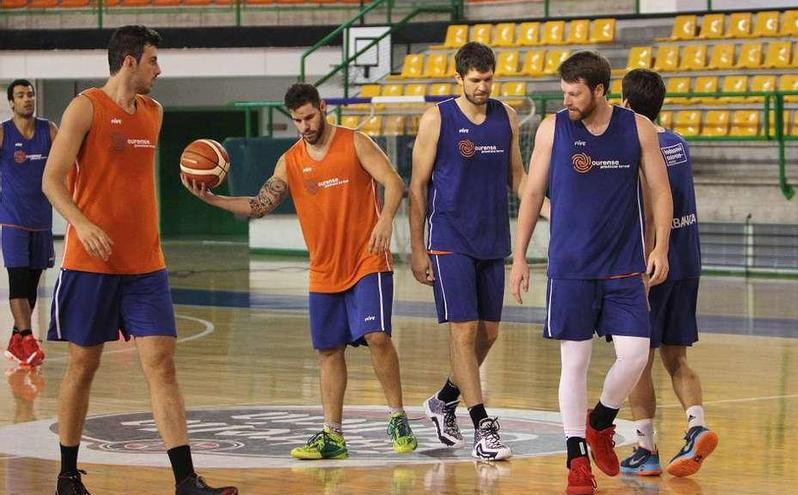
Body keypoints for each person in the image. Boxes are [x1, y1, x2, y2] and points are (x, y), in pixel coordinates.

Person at [42, 25, 238, 495]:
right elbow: (51, 180)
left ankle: (186, 480)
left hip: (146, 263)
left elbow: (131, 179)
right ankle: (67, 476)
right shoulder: (85, 107)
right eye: (153, 60)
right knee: (82, 367)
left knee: (163, 364)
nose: (159, 69)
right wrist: (83, 225)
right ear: (129, 61)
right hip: (90, 264)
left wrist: (195, 180)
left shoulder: (154, 112)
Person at [182, 82, 417, 460]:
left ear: (322, 108)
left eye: (309, 116)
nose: (305, 125)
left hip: (366, 259)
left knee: (376, 335)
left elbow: (393, 181)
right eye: (297, 120)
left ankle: (397, 416)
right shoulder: (290, 161)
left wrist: (385, 220)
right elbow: (259, 205)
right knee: (328, 350)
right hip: (324, 269)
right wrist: (212, 198)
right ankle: (333, 435)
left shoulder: (355, 142)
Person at [510, 51, 673, 495]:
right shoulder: (553, 128)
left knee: (636, 355)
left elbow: (660, 190)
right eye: (564, 92)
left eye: (575, 93)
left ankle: (600, 420)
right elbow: (531, 194)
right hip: (570, 267)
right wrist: (520, 255)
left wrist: (660, 247)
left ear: (600, 90)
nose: (567, 100)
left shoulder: (636, 128)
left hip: (623, 266)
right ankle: (576, 459)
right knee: (574, 363)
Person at [409, 41, 545, 461]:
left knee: (489, 334)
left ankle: (443, 400)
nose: (483, 86)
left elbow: (518, 178)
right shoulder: (438, 119)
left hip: (492, 240)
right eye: (475, 80)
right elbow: (416, 187)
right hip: (449, 240)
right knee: (464, 332)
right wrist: (417, 249)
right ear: (459, 78)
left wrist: (549, 208)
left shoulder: (507, 116)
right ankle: (483, 426)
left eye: (488, 79)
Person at [618, 68, 718, 478]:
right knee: (677, 357)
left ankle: (645, 447)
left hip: (651, 265)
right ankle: (696, 424)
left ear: (625, 106)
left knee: (637, 361)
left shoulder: (637, 148)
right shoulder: (679, 142)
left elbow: (648, 207)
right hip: (687, 259)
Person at [1, 79, 57, 367]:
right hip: (12, 222)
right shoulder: (3, 133)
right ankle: (27, 337)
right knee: (18, 282)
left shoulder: (49, 130)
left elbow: (69, 163)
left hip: (42, 222)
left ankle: (15, 341)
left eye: (30, 94)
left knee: (32, 286)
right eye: (21, 95)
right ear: (11, 102)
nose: (27, 99)